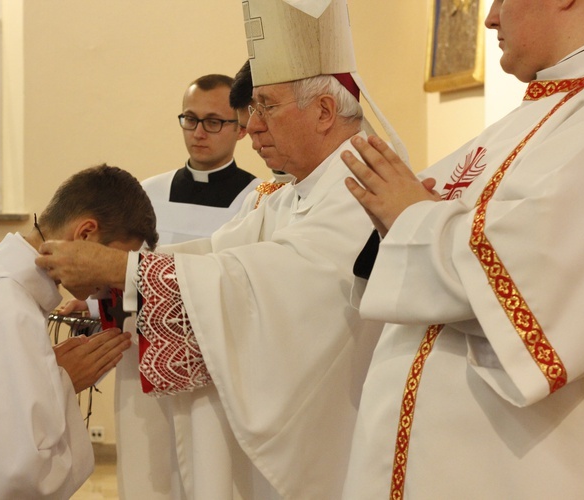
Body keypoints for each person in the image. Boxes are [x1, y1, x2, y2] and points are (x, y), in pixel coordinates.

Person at [37, 1, 406, 497]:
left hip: (327, 428)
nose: (251, 126)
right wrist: (118, 278)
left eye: (266, 107)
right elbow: (216, 252)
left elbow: (285, 281)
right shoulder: (294, 191)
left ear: (323, 111)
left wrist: (125, 269)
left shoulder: (365, 184)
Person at [340, 0, 584, 497]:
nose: (490, 17)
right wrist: (396, 223)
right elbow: (435, 236)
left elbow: (534, 274)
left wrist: (410, 219)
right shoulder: (520, 124)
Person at [0, 164, 158, 499]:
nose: (113, 282)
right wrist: (60, 382)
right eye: (114, 261)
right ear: (85, 234)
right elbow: (12, 475)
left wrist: (46, 377)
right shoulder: (9, 307)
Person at [140, 73, 261, 245]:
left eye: (213, 122)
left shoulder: (258, 199)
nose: (198, 134)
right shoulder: (148, 193)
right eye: (190, 119)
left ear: (241, 129)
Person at [229, 59, 294, 217]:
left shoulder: (347, 187)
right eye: (247, 128)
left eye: (263, 116)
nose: (256, 145)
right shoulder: (258, 198)